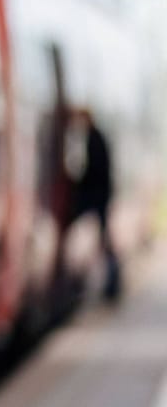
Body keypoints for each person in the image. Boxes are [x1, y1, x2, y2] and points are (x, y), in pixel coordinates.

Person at [67, 107, 119, 301]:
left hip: (97, 197)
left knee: (102, 240)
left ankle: (111, 283)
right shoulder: (96, 137)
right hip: (101, 196)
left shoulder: (94, 138)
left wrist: (77, 185)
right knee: (104, 239)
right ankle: (111, 283)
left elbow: (93, 170)